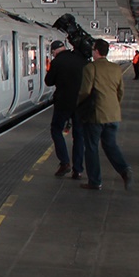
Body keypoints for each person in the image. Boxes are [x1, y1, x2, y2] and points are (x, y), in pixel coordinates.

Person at [77, 38, 131, 191]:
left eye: (93, 49)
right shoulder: (116, 69)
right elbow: (120, 92)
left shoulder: (90, 68)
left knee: (92, 147)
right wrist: (113, 105)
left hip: (95, 114)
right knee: (110, 145)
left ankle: (95, 181)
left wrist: (78, 104)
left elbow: (85, 91)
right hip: (113, 114)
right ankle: (125, 170)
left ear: (96, 51)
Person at [44, 40, 87, 179]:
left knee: (56, 130)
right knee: (79, 135)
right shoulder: (81, 59)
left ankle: (64, 162)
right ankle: (78, 169)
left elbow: (49, 81)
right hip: (80, 103)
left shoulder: (57, 62)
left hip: (63, 103)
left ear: (54, 51)